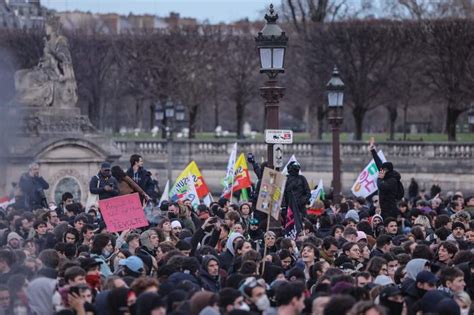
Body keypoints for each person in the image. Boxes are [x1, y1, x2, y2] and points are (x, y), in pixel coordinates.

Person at [369, 139, 403, 219]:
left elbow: (381, 186)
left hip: (390, 211)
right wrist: (373, 151)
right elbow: (379, 164)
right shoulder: (388, 175)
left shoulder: (392, 180)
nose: (381, 171)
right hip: (385, 209)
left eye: (382, 170)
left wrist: (379, 178)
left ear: (387, 171)